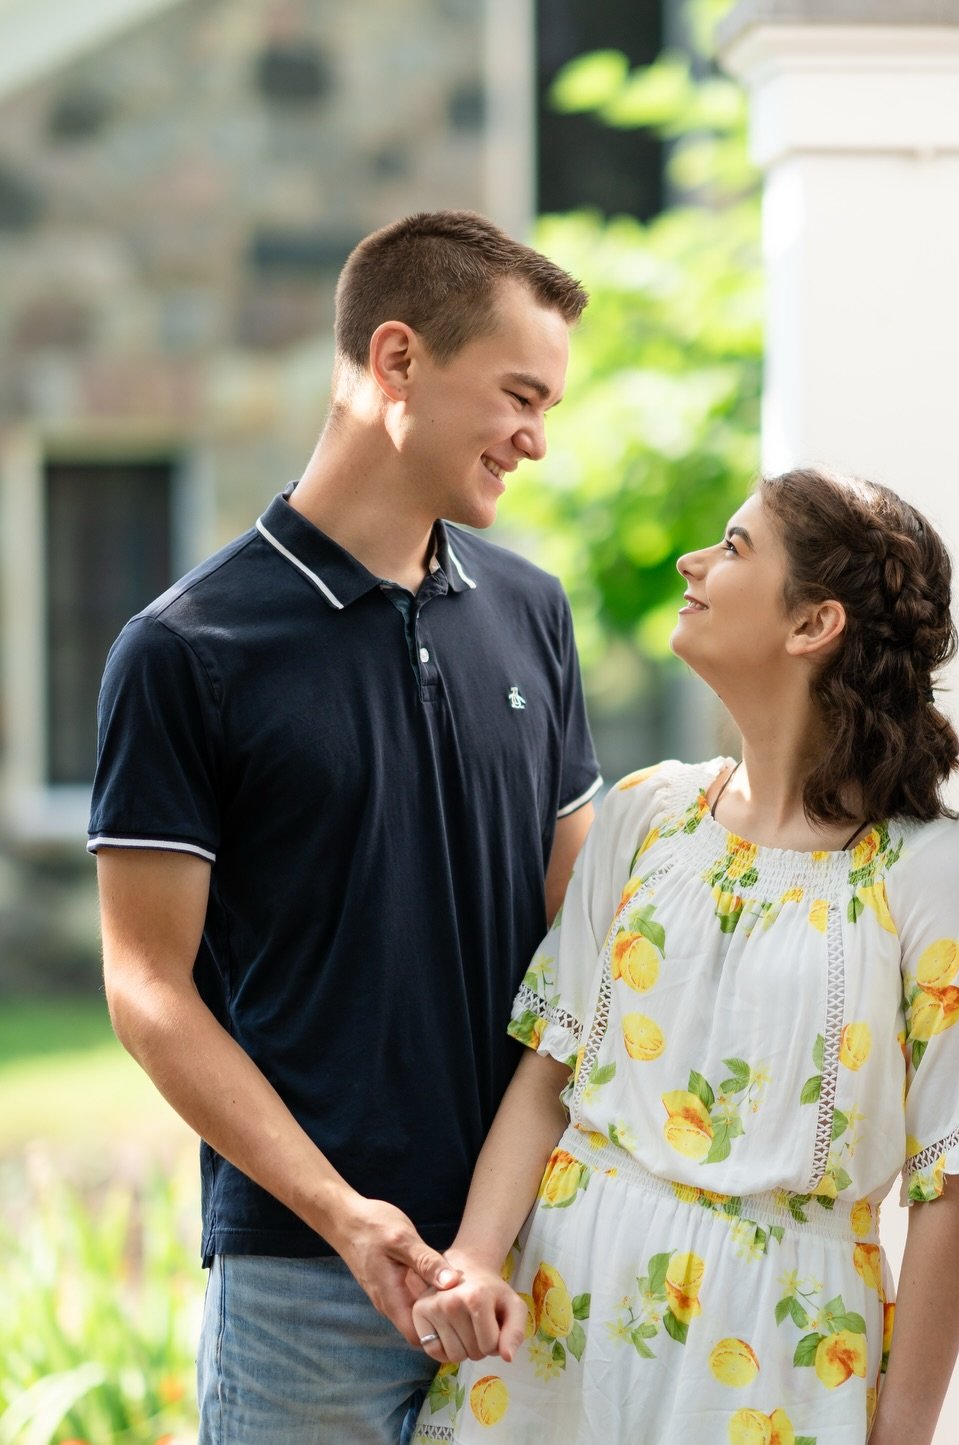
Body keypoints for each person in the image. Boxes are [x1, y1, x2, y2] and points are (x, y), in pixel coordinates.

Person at [89, 210, 603, 1443]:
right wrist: (342, 1213)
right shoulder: (185, 651)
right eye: (519, 396)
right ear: (397, 360)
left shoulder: (533, 613)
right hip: (303, 1288)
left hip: (528, 1266)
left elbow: (584, 948)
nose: (537, 439)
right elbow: (147, 987)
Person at [408, 467, 959, 1444]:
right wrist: (473, 1258)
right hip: (562, 1325)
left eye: (733, 546)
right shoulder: (647, 813)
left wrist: (903, 1435)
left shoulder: (933, 869)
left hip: (774, 1358)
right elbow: (549, 1076)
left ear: (813, 623)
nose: (693, 562)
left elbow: (950, 1180)